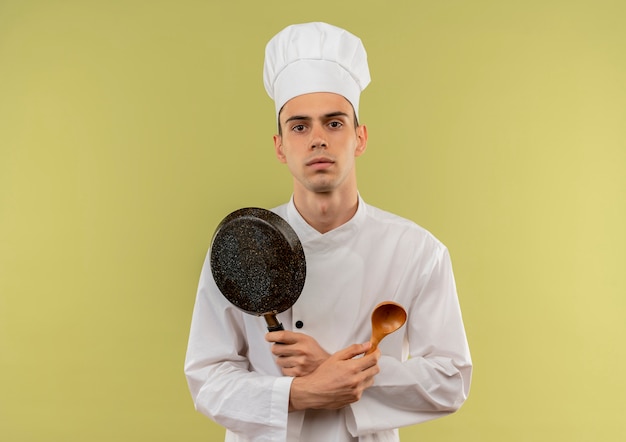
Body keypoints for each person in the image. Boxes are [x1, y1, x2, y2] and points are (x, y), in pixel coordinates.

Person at [185, 22, 472, 442]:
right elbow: (208, 377)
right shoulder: (242, 245)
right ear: (280, 145)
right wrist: (299, 393)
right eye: (299, 126)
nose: (317, 139)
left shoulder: (416, 251)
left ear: (360, 137)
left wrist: (346, 374)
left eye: (334, 123)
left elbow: (451, 379)